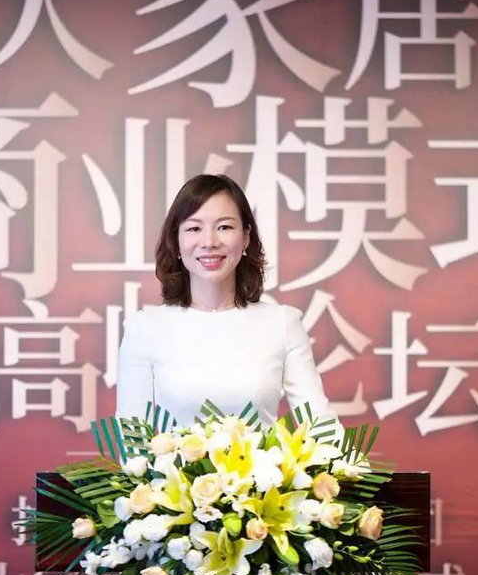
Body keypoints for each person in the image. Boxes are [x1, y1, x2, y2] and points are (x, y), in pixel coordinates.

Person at [116, 174, 342, 438]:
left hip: (265, 467)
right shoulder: (145, 328)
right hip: (171, 467)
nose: (209, 242)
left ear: (245, 237)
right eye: (194, 228)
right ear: (176, 240)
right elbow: (133, 440)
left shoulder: (282, 323)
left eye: (224, 227)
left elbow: (321, 428)